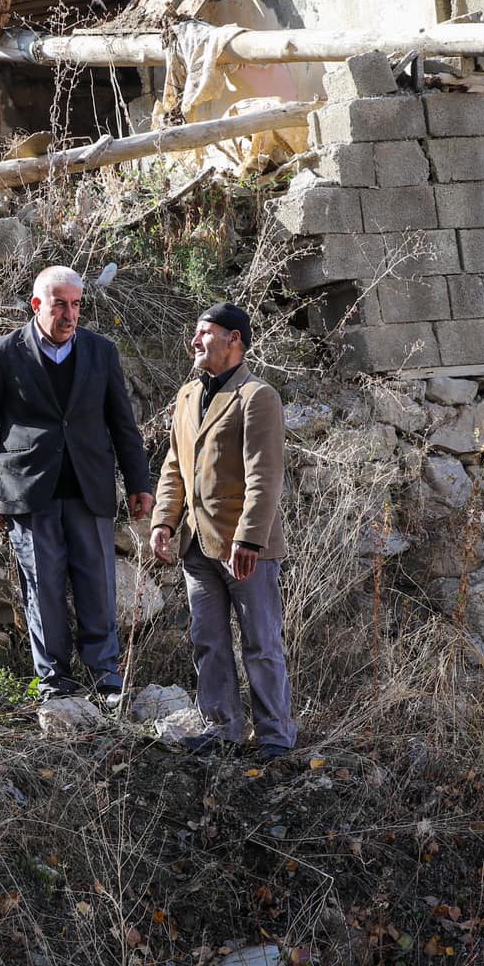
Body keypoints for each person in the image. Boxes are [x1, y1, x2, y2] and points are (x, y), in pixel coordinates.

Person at [0, 265, 153, 705]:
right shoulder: (3, 353)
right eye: (59, 305)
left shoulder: (100, 351)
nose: (69, 315)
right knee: (43, 587)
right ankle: (55, 681)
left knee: (98, 585)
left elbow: (123, 424)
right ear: (37, 305)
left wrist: (138, 482)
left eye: (76, 305)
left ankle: (106, 676)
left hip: (90, 486)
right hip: (30, 491)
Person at [148, 303, 297, 760]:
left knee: (261, 643)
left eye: (204, 333)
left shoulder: (257, 396)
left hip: (245, 550)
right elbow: (175, 465)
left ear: (235, 339)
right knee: (208, 641)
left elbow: (264, 474)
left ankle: (274, 737)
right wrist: (163, 522)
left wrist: (250, 539)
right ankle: (223, 731)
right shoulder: (187, 395)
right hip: (196, 545)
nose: (195, 341)